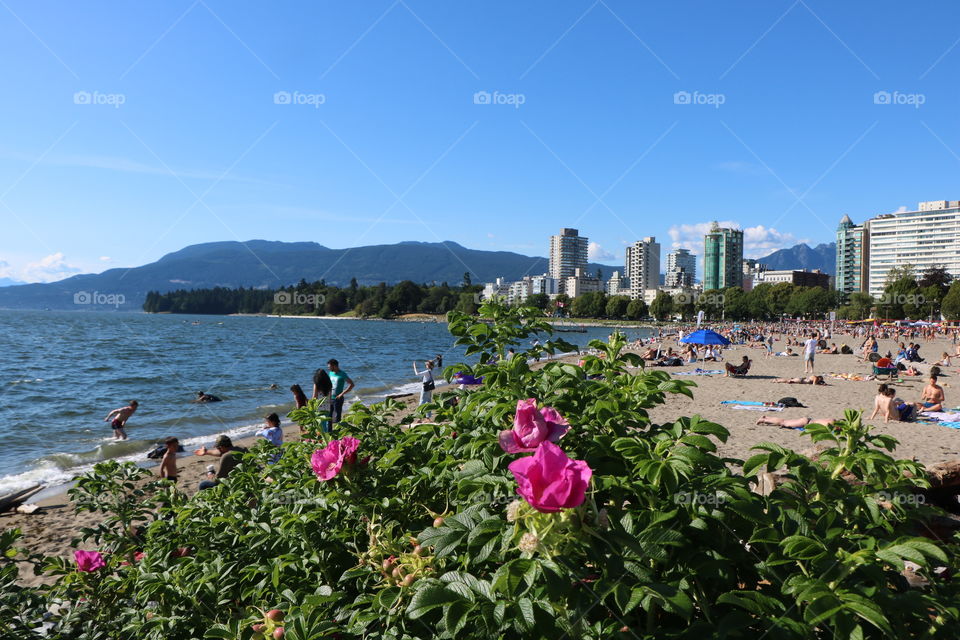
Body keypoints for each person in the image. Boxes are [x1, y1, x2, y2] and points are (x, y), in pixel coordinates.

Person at [327, 359, 355, 426]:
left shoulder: (342, 374)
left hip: (338, 399)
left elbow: (352, 384)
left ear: (335, 366)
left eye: (329, 366)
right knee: (329, 416)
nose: (328, 368)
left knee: (337, 417)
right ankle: (329, 432)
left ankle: (339, 432)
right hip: (330, 397)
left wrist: (342, 394)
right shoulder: (330, 373)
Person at [755, 415, 838, 429]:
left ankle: (767, 418)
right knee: (783, 422)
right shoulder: (833, 424)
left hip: (808, 420)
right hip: (806, 423)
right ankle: (764, 420)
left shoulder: (833, 419)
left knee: (784, 421)